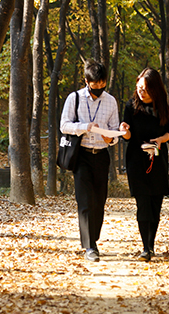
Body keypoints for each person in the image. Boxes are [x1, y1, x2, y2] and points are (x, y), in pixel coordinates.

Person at [60, 60, 120, 262]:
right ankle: (90, 246)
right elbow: (64, 126)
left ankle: (93, 238)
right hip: (82, 155)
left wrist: (110, 138)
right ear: (86, 81)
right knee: (85, 201)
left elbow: (115, 130)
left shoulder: (111, 101)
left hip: (102, 155)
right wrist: (85, 127)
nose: (99, 89)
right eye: (95, 85)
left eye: (102, 84)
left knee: (99, 201)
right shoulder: (74, 98)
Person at [119, 68, 169, 262]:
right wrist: (124, 130)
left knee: (155, 205)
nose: (141, 92)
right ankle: (146, 248)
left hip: (157, 160)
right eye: (139, 87)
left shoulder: (163, 108)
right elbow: (126, 135)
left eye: (145, 89)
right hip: (136, 160)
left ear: (155, 89)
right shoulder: (131, 106)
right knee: (143, 204)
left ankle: (151, 244)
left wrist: (161, 139)